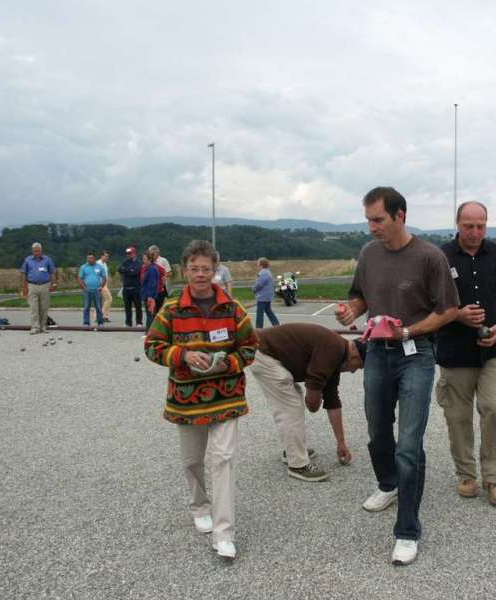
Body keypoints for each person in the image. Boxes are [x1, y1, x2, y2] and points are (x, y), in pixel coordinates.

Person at [335, 186, 458, 566]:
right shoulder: (369, 254)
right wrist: (350, 311)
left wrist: (408, 331)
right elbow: (361, 297)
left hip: (416, 355)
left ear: (400, 216)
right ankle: (388, 484)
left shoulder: (429, 257)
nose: (372, 227)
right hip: (376, 353)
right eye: (368, 220)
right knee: (376, 431)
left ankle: (407, 529)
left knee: (409, 442)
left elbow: (449, 310)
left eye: (378, 220)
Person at [144, 239, 258, 560]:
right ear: (184, 270)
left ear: (215, 270)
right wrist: (181, 355)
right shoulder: (171, 309)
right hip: (186, 400)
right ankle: (199, 505)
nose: (200, 274)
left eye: (206, 268)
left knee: (222, 461)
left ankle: (224, 534)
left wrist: (229, 363)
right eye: (194, 268)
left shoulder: (232, 309)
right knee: (193, 461)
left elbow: (249, 346)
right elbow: (152, 346)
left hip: (226, 398)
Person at [435, 201, 496, 507]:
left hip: (493, 347)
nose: (475, 232)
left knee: (495, 407)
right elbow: (429, 301)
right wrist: (457, 315)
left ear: (487, 224)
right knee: (457, 416)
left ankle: (495, 477)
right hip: (454, 349)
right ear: (457, 223)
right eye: (468, 225)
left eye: (481, 226)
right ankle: (466, 474)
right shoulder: (440, 257)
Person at [250, 323, 366, 482]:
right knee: (291, 405)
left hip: (265, 351)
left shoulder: (337, 354)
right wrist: (314, 402)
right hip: (263, 352)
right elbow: (312, 401)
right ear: (355, 356)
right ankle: (298, 465)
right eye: (357, 367)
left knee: (291, 401)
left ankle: (292, 451)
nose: (353, 371)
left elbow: (332, 401)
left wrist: (341, 443)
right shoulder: (334, 349)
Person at [19, 242, 56, 334]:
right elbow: (24, 274)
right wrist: (24, 287)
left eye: (38, 251)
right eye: (35, 251)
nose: (37, 253)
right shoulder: (28, 260)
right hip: (32, 285)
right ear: (32, 251)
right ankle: (35, 327)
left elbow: (52, 272)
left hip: (45, 285)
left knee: (44, 307)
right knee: (33, 308)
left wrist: (53, 284)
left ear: (41, 251)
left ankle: (43, 327)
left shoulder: (47, 259)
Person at [77, 252, 106, 328]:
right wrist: (84, 287)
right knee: (86, 307)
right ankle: (86, 323)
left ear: (94, 258)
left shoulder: (100, 267)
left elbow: (104, 277)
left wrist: (101, 286)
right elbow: (79, 278)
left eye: (90, 258)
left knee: (99, 307)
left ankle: (100, 322)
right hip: (87, 291)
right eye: (88, 258)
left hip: (97, 290)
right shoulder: (83, 267)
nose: (89, 260)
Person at [118, 246, 143, 327]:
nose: (128, 255)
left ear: (134, 254)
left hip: (136, 288)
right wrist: (129, 270)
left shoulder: (138, 263)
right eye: (127, 254)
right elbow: (120, 269)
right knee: (127, 307)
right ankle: (128, 322)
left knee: (138, 306)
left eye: (130, 253)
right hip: (126, 288)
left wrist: (126, 270)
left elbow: (135, 272)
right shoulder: (125, 262)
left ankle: (139, 322)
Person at [252, 257, 280, 328]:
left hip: (262, 297)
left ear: (261, 265)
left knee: (259, 314)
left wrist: (254, 289)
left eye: (258, 265)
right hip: (267, 296)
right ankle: (277, 325)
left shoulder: (263, 273)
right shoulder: (268, 272)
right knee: (269, 311)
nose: (257, 266)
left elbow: (259, 285)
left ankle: (259, 329)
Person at [140, 252, 162, 330]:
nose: (143, 261)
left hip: (150, 296)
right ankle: (150, 331)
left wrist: (150, 296)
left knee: (150, 314)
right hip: (148, 295)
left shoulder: (152, 269)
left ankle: (149, 332)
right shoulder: (150, 268)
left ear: (150, 260)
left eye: (144, 259)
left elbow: (152, 284)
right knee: (150, 314)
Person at [97, 250, 113, 323]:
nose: (107, 258)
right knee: (109, 299)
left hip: (105, 284)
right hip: (100, 284)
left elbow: (106, 275)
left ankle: (104, 316)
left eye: (108, 256)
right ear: (101, 256)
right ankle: (100, 315)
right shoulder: (98, 264)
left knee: (104, 301)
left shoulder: (105, 264)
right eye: (105, 256)